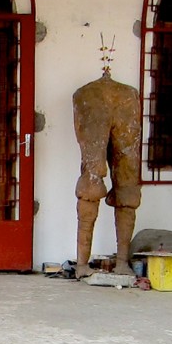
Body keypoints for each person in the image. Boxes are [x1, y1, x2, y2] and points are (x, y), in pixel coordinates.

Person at [72, 71, 141, 278]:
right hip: (108, 105)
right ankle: (116, 262)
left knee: (103, 182)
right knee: (109, 183)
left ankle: (86, 264)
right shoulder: (127, 94)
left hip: (103, 104)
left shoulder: (86, 94)